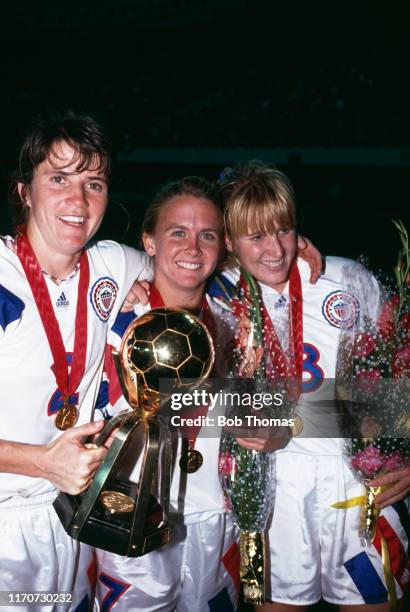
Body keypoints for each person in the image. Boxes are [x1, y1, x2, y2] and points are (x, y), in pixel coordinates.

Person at [210, 161, 409, 610]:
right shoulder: (218, 293)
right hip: (266, 495)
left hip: (357, 486)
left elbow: (400, 372)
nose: (275, 249)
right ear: (229, 242)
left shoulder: (346, 279)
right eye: (255, 236)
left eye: (284, 230)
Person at [0, 110, 152, 610]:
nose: (78, 200)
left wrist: (287, 249)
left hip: (69, 514)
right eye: (59, 178)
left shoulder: (112, 262)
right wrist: (42, 462)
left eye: (95, 183)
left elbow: (186, 262)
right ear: (24, 190)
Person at [94, 177, 241, 611]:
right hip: (132, 516)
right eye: (177, 232)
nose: (193, 248)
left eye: (207, 235)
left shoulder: (237, 315)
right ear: (149, 242)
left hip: (217, 519)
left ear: (223, 245)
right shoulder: (111, 318)